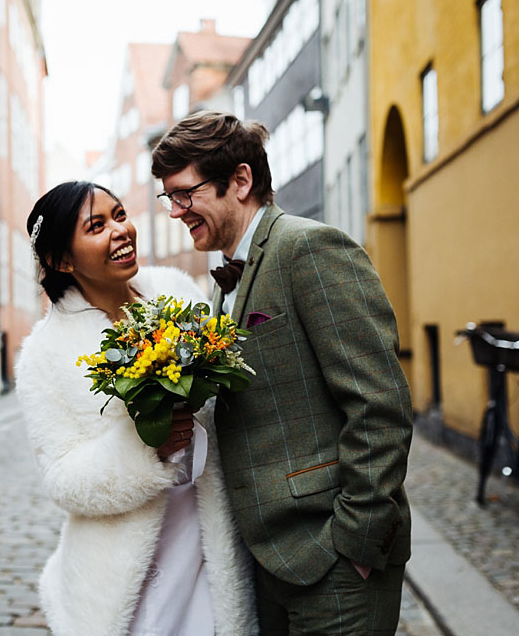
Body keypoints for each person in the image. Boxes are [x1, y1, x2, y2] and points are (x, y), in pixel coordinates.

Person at [151, 111, 414, 635]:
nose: (177, 211)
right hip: (267, 563)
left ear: (241, 180)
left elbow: (379, 403)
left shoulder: (309, 249)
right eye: (169, 198)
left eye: (186, 193)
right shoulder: (225, 283)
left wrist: (356, 542)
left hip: (334, 561)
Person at [14, 180, 257, 636]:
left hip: (209, 530)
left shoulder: (178, 294)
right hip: (127, 562)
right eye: (97, 225)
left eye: (120, 215)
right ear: (63, 260)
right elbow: (63, 479)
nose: (120, 230)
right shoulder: (43, 357)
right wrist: (148, 449)